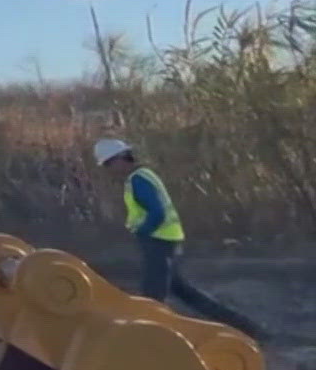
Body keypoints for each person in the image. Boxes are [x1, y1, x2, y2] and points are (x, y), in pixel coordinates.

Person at [92, 138, 266, 340]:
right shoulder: (144, 175)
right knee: (188, 295)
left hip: (158, 242)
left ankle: (150, 340)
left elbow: (157, 213)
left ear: (121, 158)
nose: (109, 169)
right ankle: (250, 329)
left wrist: (141, 230)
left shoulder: (138, 180)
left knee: (153, 299)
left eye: (108, 163)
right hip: (165, 241)